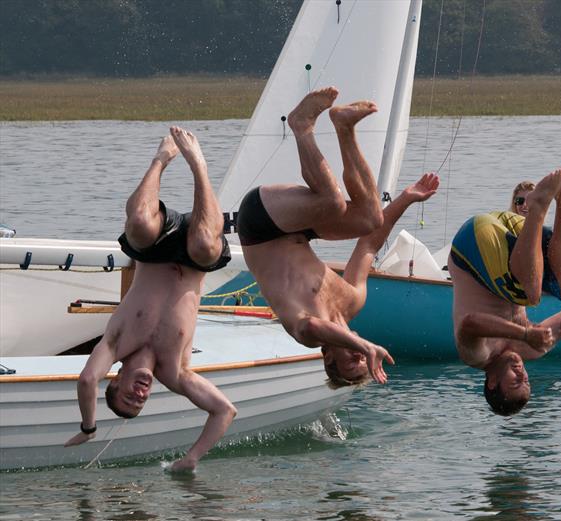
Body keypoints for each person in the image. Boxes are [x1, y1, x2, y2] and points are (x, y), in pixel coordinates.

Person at [237, 87, 439, 386]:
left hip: (259, 226)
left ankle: (301, 126)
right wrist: (406, 198)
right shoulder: (353, 301)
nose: (360, 358)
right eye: (363, 362)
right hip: (297, 230)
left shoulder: (304, 333)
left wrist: (364, 345)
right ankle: (345, 127)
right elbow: (370, 244)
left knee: (331, 201)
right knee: (370, 218)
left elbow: (315, 325)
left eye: (352, 363)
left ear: (328, 357)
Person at [65, 127, 237, 472]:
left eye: (129, 395)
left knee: (141, 222)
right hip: (196, 257)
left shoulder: (114, 345)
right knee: (205, 244)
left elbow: (86, 380)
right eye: (141, 402)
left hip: (155, 247)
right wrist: (191, 459)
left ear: (116, 380)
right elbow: (224, 411)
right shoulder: (176, 372)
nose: (140, 394)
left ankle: (162, 158)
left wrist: (88, 427)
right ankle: (198, 164)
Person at [448, 163, 561, 416]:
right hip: (512, 233)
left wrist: (526, 332)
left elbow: (470, 323)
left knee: (529, 295)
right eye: (525, 379)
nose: (521, 372)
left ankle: (537, 207)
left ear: (492, 382)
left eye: (515, 380)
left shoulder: (477, 356)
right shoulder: (534, 348)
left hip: (473, 242)